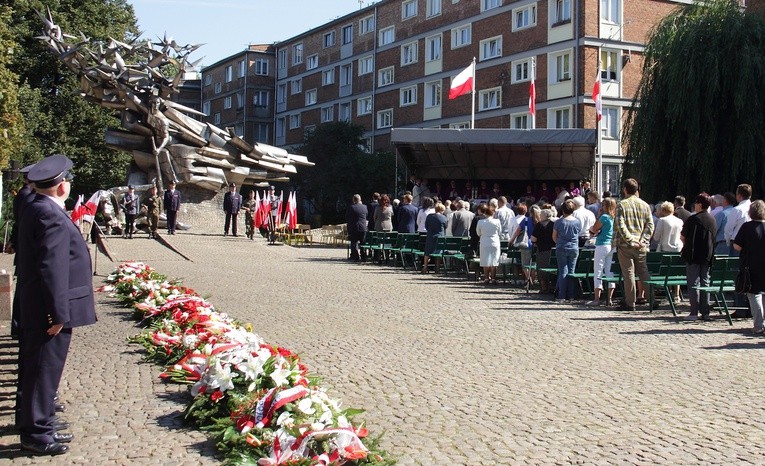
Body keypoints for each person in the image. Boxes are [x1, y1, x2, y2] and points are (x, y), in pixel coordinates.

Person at [16, 154, 97, 456]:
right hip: (47, 310)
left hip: (40, 305)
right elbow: (52, 268)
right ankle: (37, 434)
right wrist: (57, 312)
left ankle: (41, 423)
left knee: (41, 369)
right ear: (62, 186)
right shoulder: (48, 214)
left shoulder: (38, 208)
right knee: (43, 370)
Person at [613, 178, 654, 311]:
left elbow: (620, 224)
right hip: (641, 245)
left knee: (629, 273)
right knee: (643, 272)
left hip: (626, 245)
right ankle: (652, 299)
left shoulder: (621, 204)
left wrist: (630, 240)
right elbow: (650, 225)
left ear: (625, 189)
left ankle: (630, 302)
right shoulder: (645, 205)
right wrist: (643, 240)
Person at [7, 163, 37, 338]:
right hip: (27, 250)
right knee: (24, 291)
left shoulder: (25, 194)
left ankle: (18, 327)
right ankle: (19, 327)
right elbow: (22, 224)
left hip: (24, 249)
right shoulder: (27, 196)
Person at [681, 194, 717, 321]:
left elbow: (683, 237)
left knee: (693, 282)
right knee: (705, 282)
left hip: (693, 254)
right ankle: (705, 312)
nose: (695, 205)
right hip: (707, 255)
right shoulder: (712, 219)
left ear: (700, 204)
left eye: (696, 203)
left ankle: (694, 312)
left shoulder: (693, 219)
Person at [733, 200, 765, 333]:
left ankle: (759, 325)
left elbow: (737, 246)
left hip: (751, 265)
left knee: (754, 294)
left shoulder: (747, 227)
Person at [588, 197, 617, 306]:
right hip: (611, 245)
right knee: (610, 271)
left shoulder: (604, 217)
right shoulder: (614, 217)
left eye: (603, 205)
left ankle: (597, 299)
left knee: (598, 270)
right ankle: (609, 299)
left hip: (602, 244)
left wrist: (598, 216)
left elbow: (595, 229)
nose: (601, 207)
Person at [553, 199, 582, 301]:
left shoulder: (559, 222)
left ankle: (562, 295)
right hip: (574, 247)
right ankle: (571, 295)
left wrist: (559, 243)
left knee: (563, 271)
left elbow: (554, 236)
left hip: (561, 247)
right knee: (571, 271)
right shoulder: (577, 222)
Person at [532, 209, 556, 294]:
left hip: (542, 250)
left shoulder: (539, 225)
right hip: (553, 250)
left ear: (543, 216)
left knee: (541, 268)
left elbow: (533, 238)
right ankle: (553, 286)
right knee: (552, 268)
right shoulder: (554, 224)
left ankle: (544, 287)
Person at [476, 203, 502, 284]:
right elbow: (500, 232)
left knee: (485, 260)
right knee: (494, 260)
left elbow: (478, 233)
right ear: (493, 213)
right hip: (494, 241)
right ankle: (494, 278)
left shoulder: (480, 222)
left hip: (484, 241)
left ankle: (486, 278)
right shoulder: (497, 221)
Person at [422, 203, 448, 273]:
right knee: (439, 252)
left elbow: (426, 226)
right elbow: (446, 226)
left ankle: (425, 267)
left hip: (430, 236)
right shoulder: (444, 218)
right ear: (442, 210)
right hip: (440, 236)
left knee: (427, 252)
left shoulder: (429, 216)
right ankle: (437, 268)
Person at [346, 194, 368, 262]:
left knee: (354, 243)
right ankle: (363, 256)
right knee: (363, 243)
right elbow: (366, 215)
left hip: (354, 227)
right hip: (363, 227)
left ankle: (356, 257)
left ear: (354, 200)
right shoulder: (365, 207)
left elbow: (347, 217)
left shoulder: (351, 207)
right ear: (360, 199)